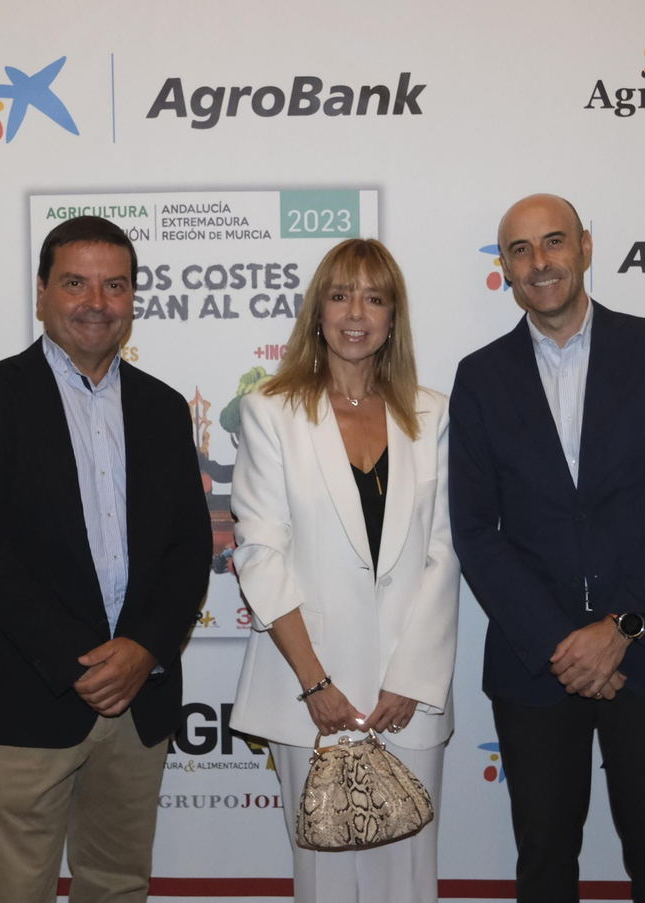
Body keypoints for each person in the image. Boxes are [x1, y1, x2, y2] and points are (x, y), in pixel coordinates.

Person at [449, 194, 645, 903]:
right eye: (520, 250)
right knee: (544, 865)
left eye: (553, 242)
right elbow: (477, 531)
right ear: (506, 270)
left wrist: (620, 629)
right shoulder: (480, 378)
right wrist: (563, 645)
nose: (540, 262)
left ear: (584, 246)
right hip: (538, 666)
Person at [0, 215, 212, 903]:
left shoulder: (161, 408)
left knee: (118, 885)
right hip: (29, 692)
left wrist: (143, 648)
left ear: (132, 297)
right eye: (75, 283)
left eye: (114, 284)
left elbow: (189, 544)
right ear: (41, 292)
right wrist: (81, 661)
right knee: (12, 890)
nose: (96, 301)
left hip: (139, 698)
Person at [230, 238, 459, 903]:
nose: (356, 311)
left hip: (406, 697)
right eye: (340, 294)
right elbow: (261, 555)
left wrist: (412, 677)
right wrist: (316, 683)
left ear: (393, 316)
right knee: (325, 884)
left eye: (375, 296)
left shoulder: (433, 412)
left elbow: (444, 551)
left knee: (409, 885)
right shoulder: (272, 411)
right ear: (318, 313)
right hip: (311, 695)